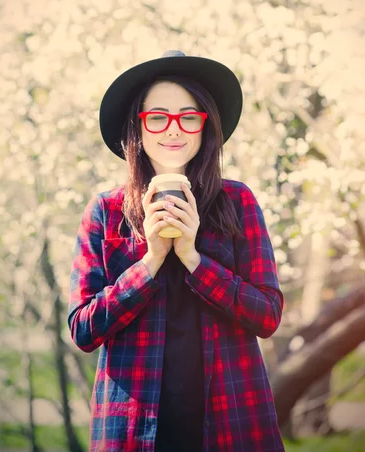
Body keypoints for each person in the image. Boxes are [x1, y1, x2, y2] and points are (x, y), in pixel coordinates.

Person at [68, 50, 285, 452]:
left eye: (188, 116)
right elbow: (83, 329)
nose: (173, 130)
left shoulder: (237, 202)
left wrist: (193, 259)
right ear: (138, 128)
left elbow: (268, 316)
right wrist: (149, 261)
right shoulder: (107, 210)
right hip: (132, 431)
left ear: (206, 126)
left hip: (231, 422)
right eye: (157, 117)